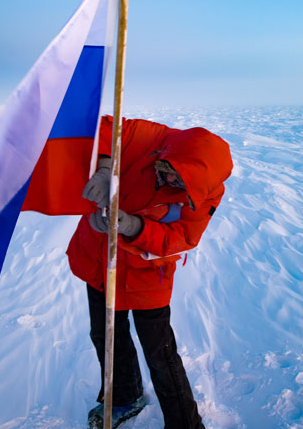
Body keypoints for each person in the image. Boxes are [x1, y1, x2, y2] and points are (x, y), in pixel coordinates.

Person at [67, 115, 233, 429]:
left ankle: (185, 423)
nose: (170, 185)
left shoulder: (208, 190)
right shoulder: (145, 137)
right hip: (101, 259)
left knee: (160, 351)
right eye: (169, 175)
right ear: (165, 157)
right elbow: (101, 126)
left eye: (179, 185)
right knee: (105, 334)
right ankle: (126, 396)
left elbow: (183, 238)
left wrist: (134, 226)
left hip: (148, 272)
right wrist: (104, 169)